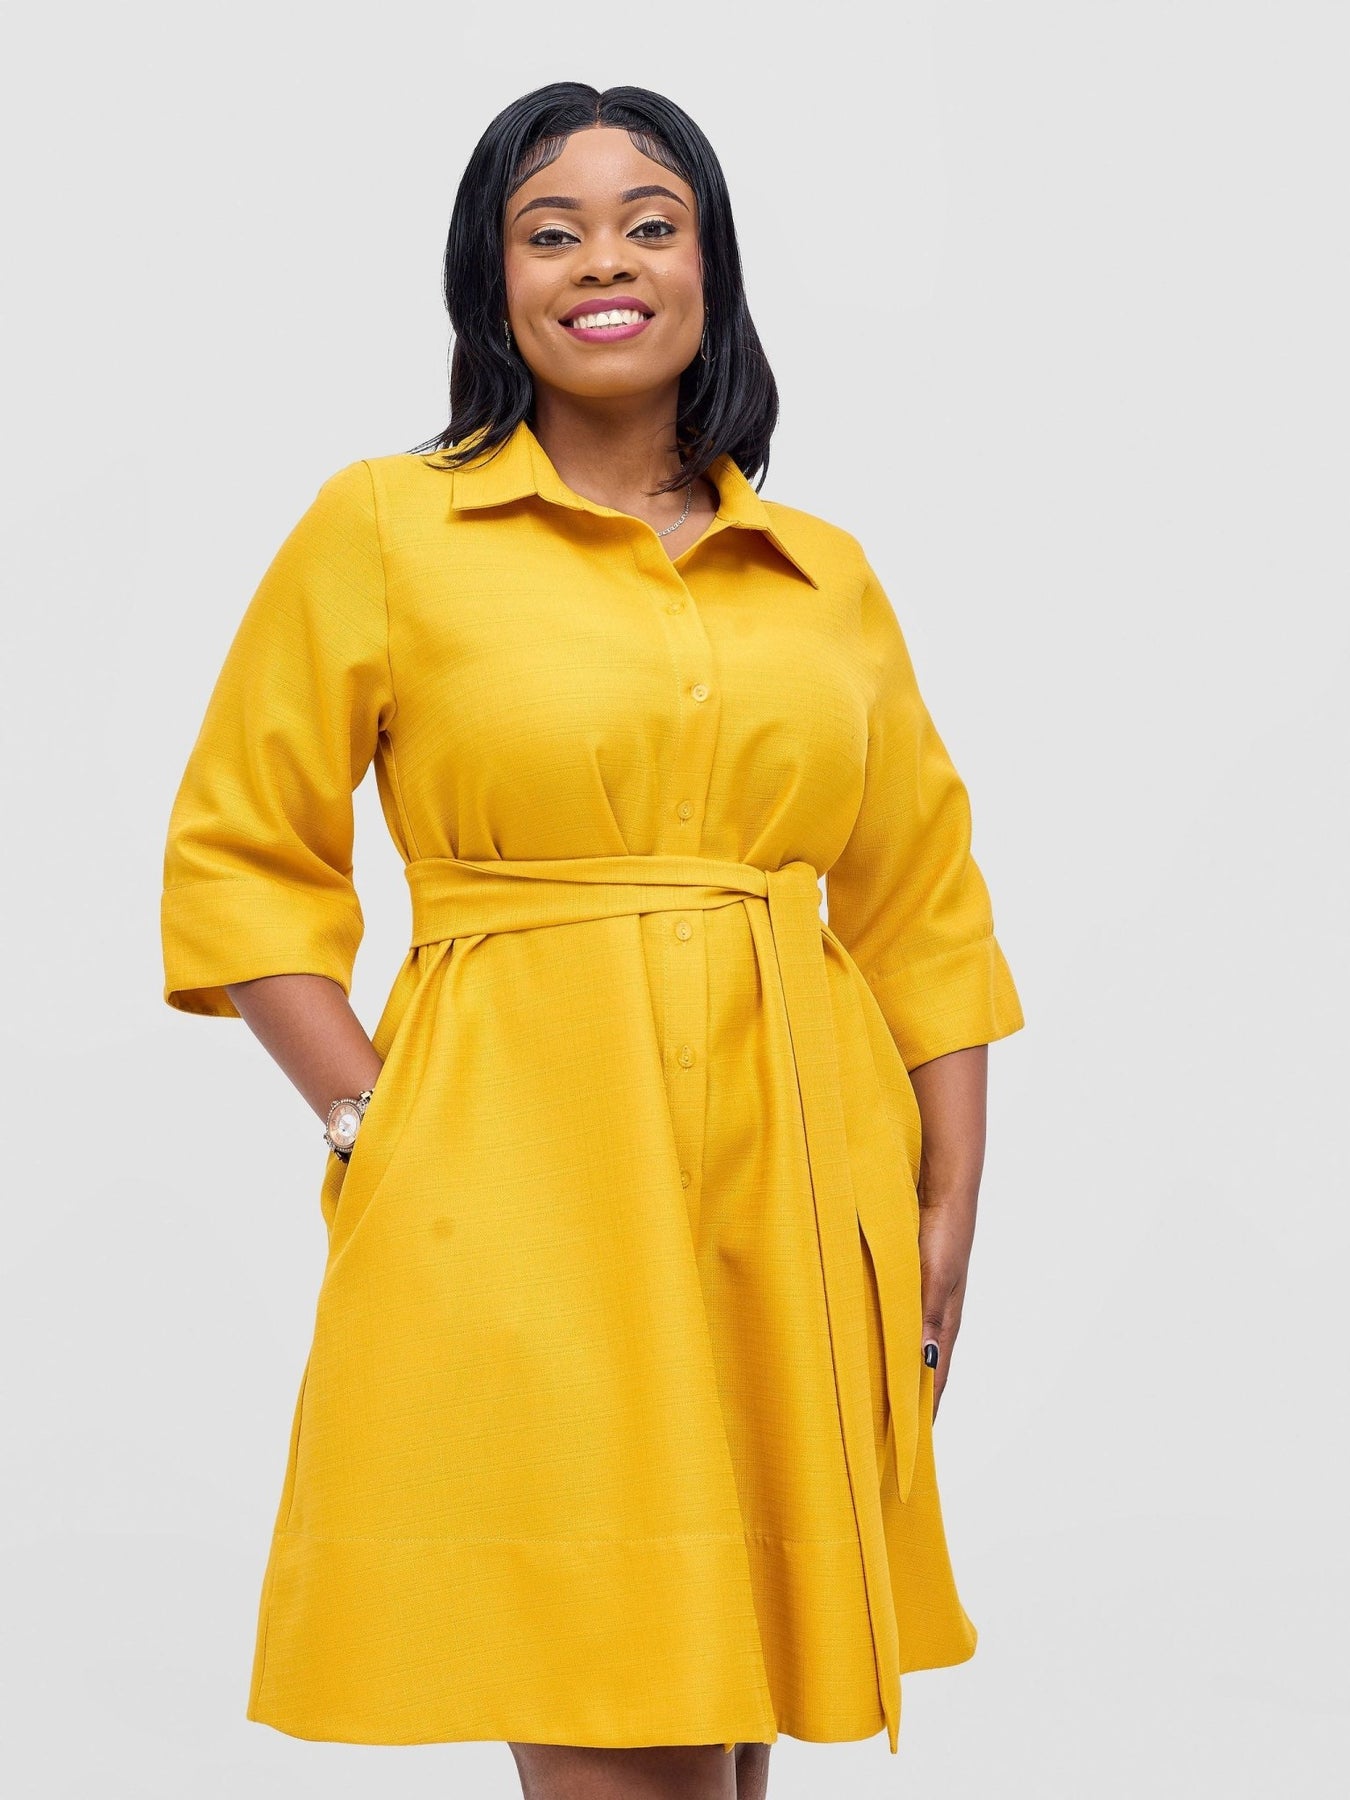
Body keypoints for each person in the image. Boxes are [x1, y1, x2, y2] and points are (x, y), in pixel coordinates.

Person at [159, 80, 1025, 1800]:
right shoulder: (385, 527)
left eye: (650, 224)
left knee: (729, 1734)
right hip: (524, 1188)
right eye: (550, 232)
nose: (604, 261)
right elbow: (240, 853)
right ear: (492, 284)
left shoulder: (822, 575)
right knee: (617, 1704)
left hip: (799, 1187)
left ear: (711, 267)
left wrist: (942, 1208)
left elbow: (925, 902)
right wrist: (373, 1119)